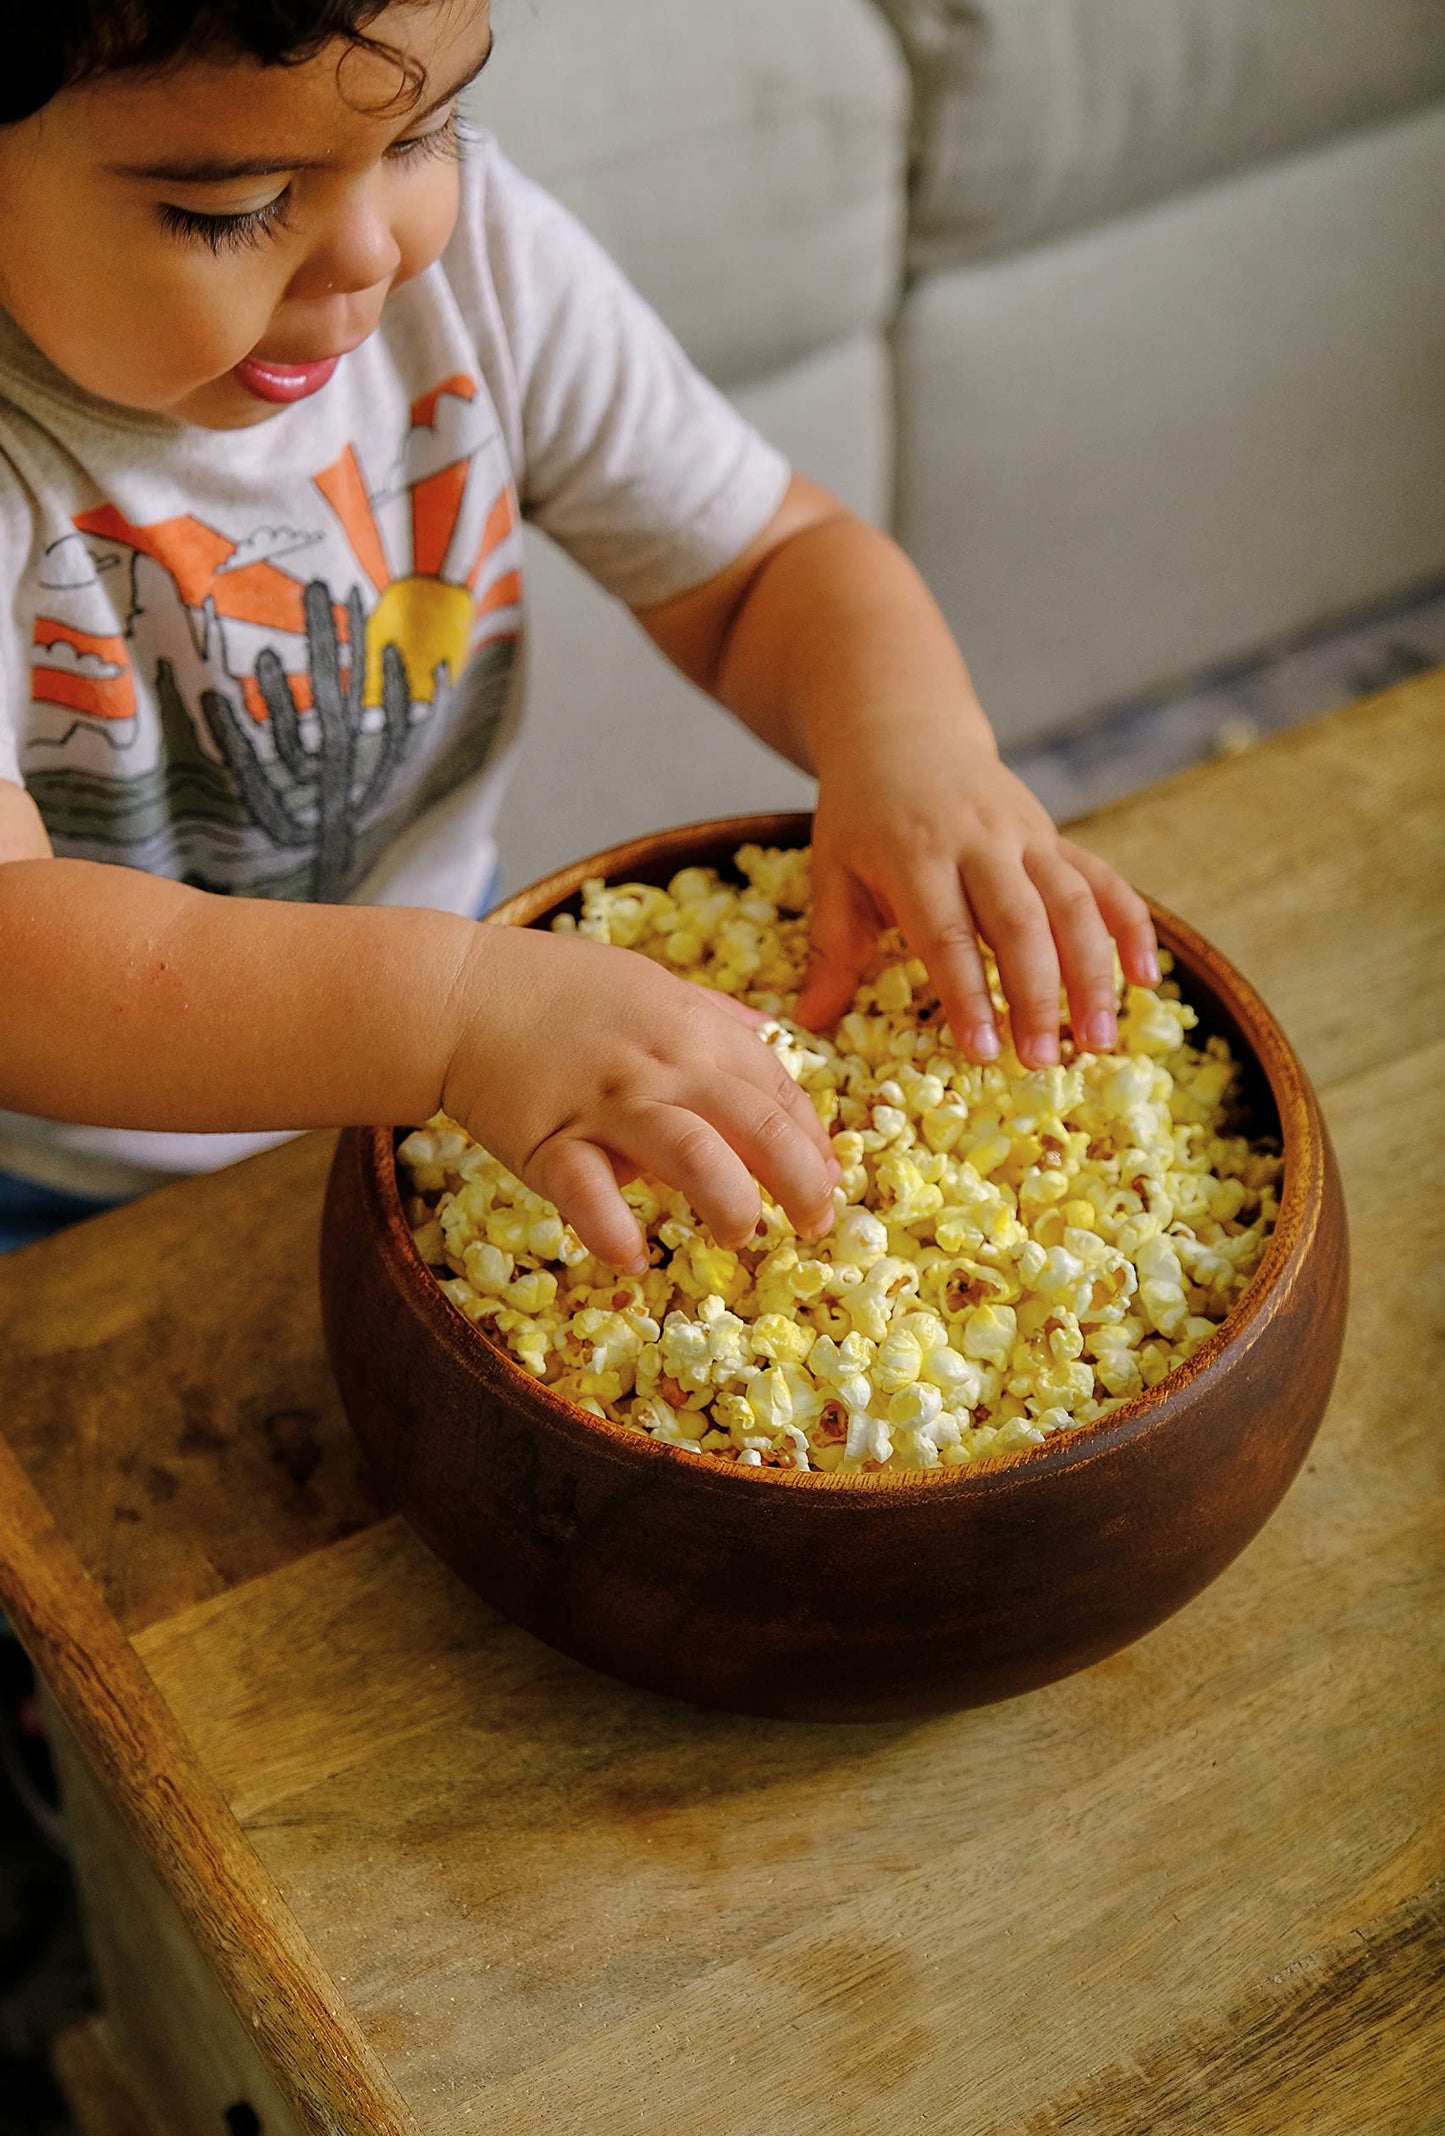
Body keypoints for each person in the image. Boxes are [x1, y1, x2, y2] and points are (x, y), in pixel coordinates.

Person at [0, 0, 1159, 1275]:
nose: (371, 256)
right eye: (233, 208)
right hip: (64, 1169)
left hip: (463, 1020)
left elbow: (766, 565)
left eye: (423, 132)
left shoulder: (479, 259)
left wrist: (915, 742)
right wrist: (448, 1012)